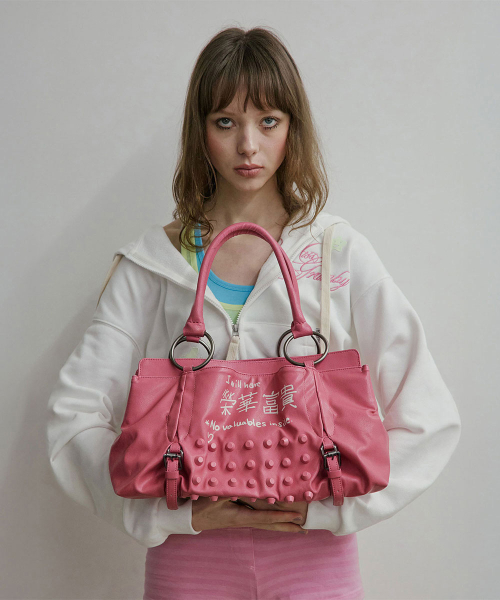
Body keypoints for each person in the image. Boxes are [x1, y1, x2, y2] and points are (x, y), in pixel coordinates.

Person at [46, 26, 461, 600]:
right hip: (190, 561)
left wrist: (327, 512)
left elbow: (430, 418)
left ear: (293, 128)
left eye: (268, 121)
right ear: (200, 131)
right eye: (225, 122)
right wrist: (166, 516)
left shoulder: (336, 253)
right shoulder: (154, 263)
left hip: (315, 560)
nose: (248, 145)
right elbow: (72, 418)